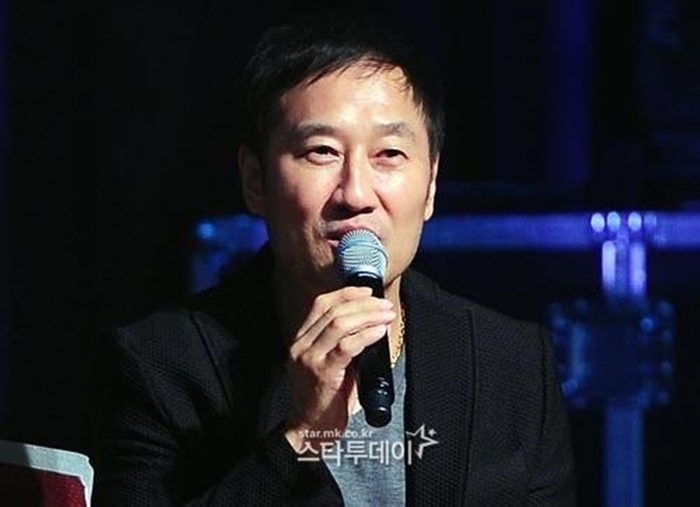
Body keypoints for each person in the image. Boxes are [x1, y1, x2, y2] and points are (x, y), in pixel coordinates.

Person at [92, 11, 576, 506]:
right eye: (322, 152)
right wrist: (301, 436)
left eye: (389, 154)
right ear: (256, 181)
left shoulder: (511, 363)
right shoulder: (160, 364)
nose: (356, 194)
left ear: (430, 185)